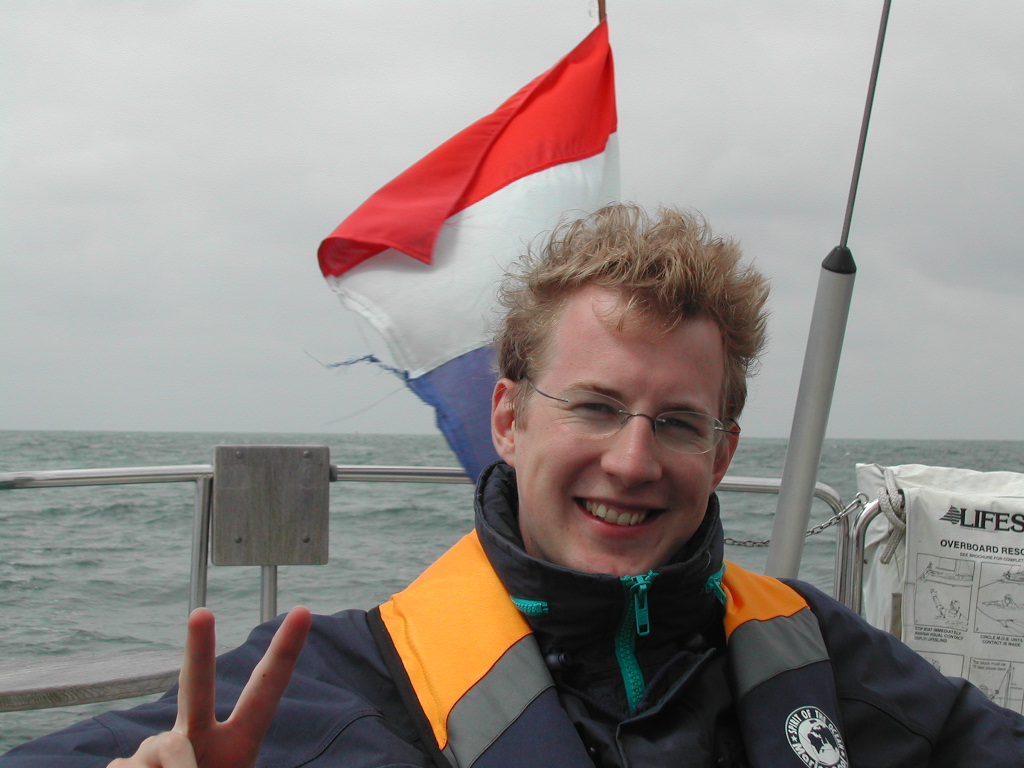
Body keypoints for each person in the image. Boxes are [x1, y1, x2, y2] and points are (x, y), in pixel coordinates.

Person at [3, 204, 1023, 767]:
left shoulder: (817, 653)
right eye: (591, 406)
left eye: (674, 422)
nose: (630, 460)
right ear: (507, 419)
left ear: (720, 454)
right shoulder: (329, 684)